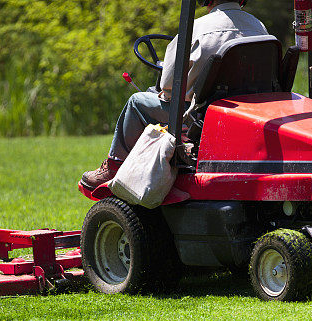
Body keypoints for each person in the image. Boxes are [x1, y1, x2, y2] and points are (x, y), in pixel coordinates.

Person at [80, 1, 268, 190]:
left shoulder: (197, 29)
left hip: (201, 118)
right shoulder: (259, 27)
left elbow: (168, 85)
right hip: (246, 115)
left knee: (138, 102)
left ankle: (115, 166)